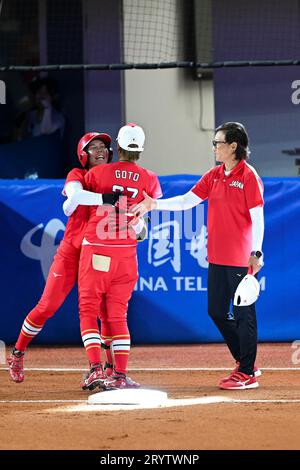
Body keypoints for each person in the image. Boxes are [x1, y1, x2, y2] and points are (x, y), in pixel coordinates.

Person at [130, 122, 264, 390]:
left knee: (243, 314)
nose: (214, 147)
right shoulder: (214, 175)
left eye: (218, 142)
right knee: (216, 311)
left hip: (240, 258)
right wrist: (154, 204)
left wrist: (256, 252)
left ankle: (247, 372)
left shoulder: (249, 176)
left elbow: (257, 216)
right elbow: (186, 200)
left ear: (233, 146)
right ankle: (246, 362)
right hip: (216, 256)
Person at [7, 131, 116, 382]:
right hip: (72, 253)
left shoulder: (113, 179)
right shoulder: (77, 175)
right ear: (83, 155)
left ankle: (104, 369)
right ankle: (18, 351)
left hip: (99, 253)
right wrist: (106, 198)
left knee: (105, 311)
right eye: (94, 147)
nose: (100, 150)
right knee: (47, 307)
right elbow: (74, 198)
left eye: (103, 147)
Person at [67, 123, 162, 390]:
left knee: (88, 310)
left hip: (99, 248)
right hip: (127, 253)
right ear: (140, 150)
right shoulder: (150, 178)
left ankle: (96, 369)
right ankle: (119, 374)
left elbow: (73, 200)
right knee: (118, 315)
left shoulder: (98, 172)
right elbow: (145, 217)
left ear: (117, 147)